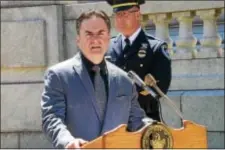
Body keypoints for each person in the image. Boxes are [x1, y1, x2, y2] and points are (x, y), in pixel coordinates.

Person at [41, 10, 150, 149]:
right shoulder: (58, 76)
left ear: (109, 37)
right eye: (89, 34)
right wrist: (68, 141)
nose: (95, 40)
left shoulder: (124, 80)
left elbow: (137, 121)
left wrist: (153, 129)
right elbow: (51, 118)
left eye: (100, 33)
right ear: (78, 39)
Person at [105, 0, 172, 121]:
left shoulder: (155, 48)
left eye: (124, 14)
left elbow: (160, 88)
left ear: (137, 15)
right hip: (112, 119)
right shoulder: (107, 47)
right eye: (117, 15)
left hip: (144, 118)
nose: (120, 19)